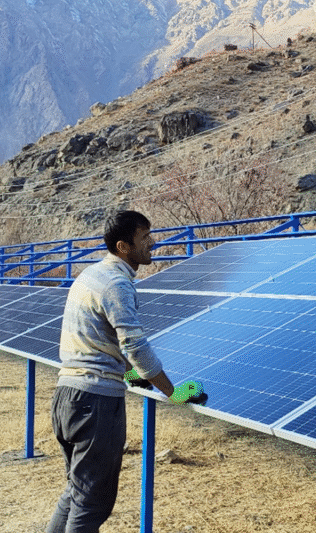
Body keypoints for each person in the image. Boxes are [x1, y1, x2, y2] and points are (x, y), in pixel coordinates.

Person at [47, 210, 202, 533]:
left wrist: (132, 374)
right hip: (95, 404)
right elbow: (134, 345)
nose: (152, 243)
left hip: (67, 396)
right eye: (144, 237)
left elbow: (102, 339)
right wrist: (172, 391)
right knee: (91, 504)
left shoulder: (90, 275)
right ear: (123, 246)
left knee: (77, 493)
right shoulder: (116, 284)